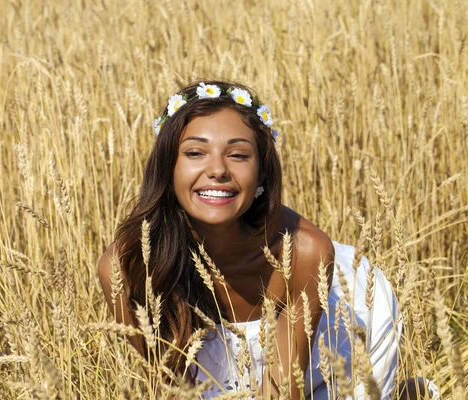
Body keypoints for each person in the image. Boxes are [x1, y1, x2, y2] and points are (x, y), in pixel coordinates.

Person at [97, 81, 408, 399]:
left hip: (328, 347)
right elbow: (174, 390)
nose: (217, 169)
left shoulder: (304, 253)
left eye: (238, 155)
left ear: (261, 172)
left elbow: (284, 392)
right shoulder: (128, 266)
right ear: (168, 167)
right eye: (194, 152)